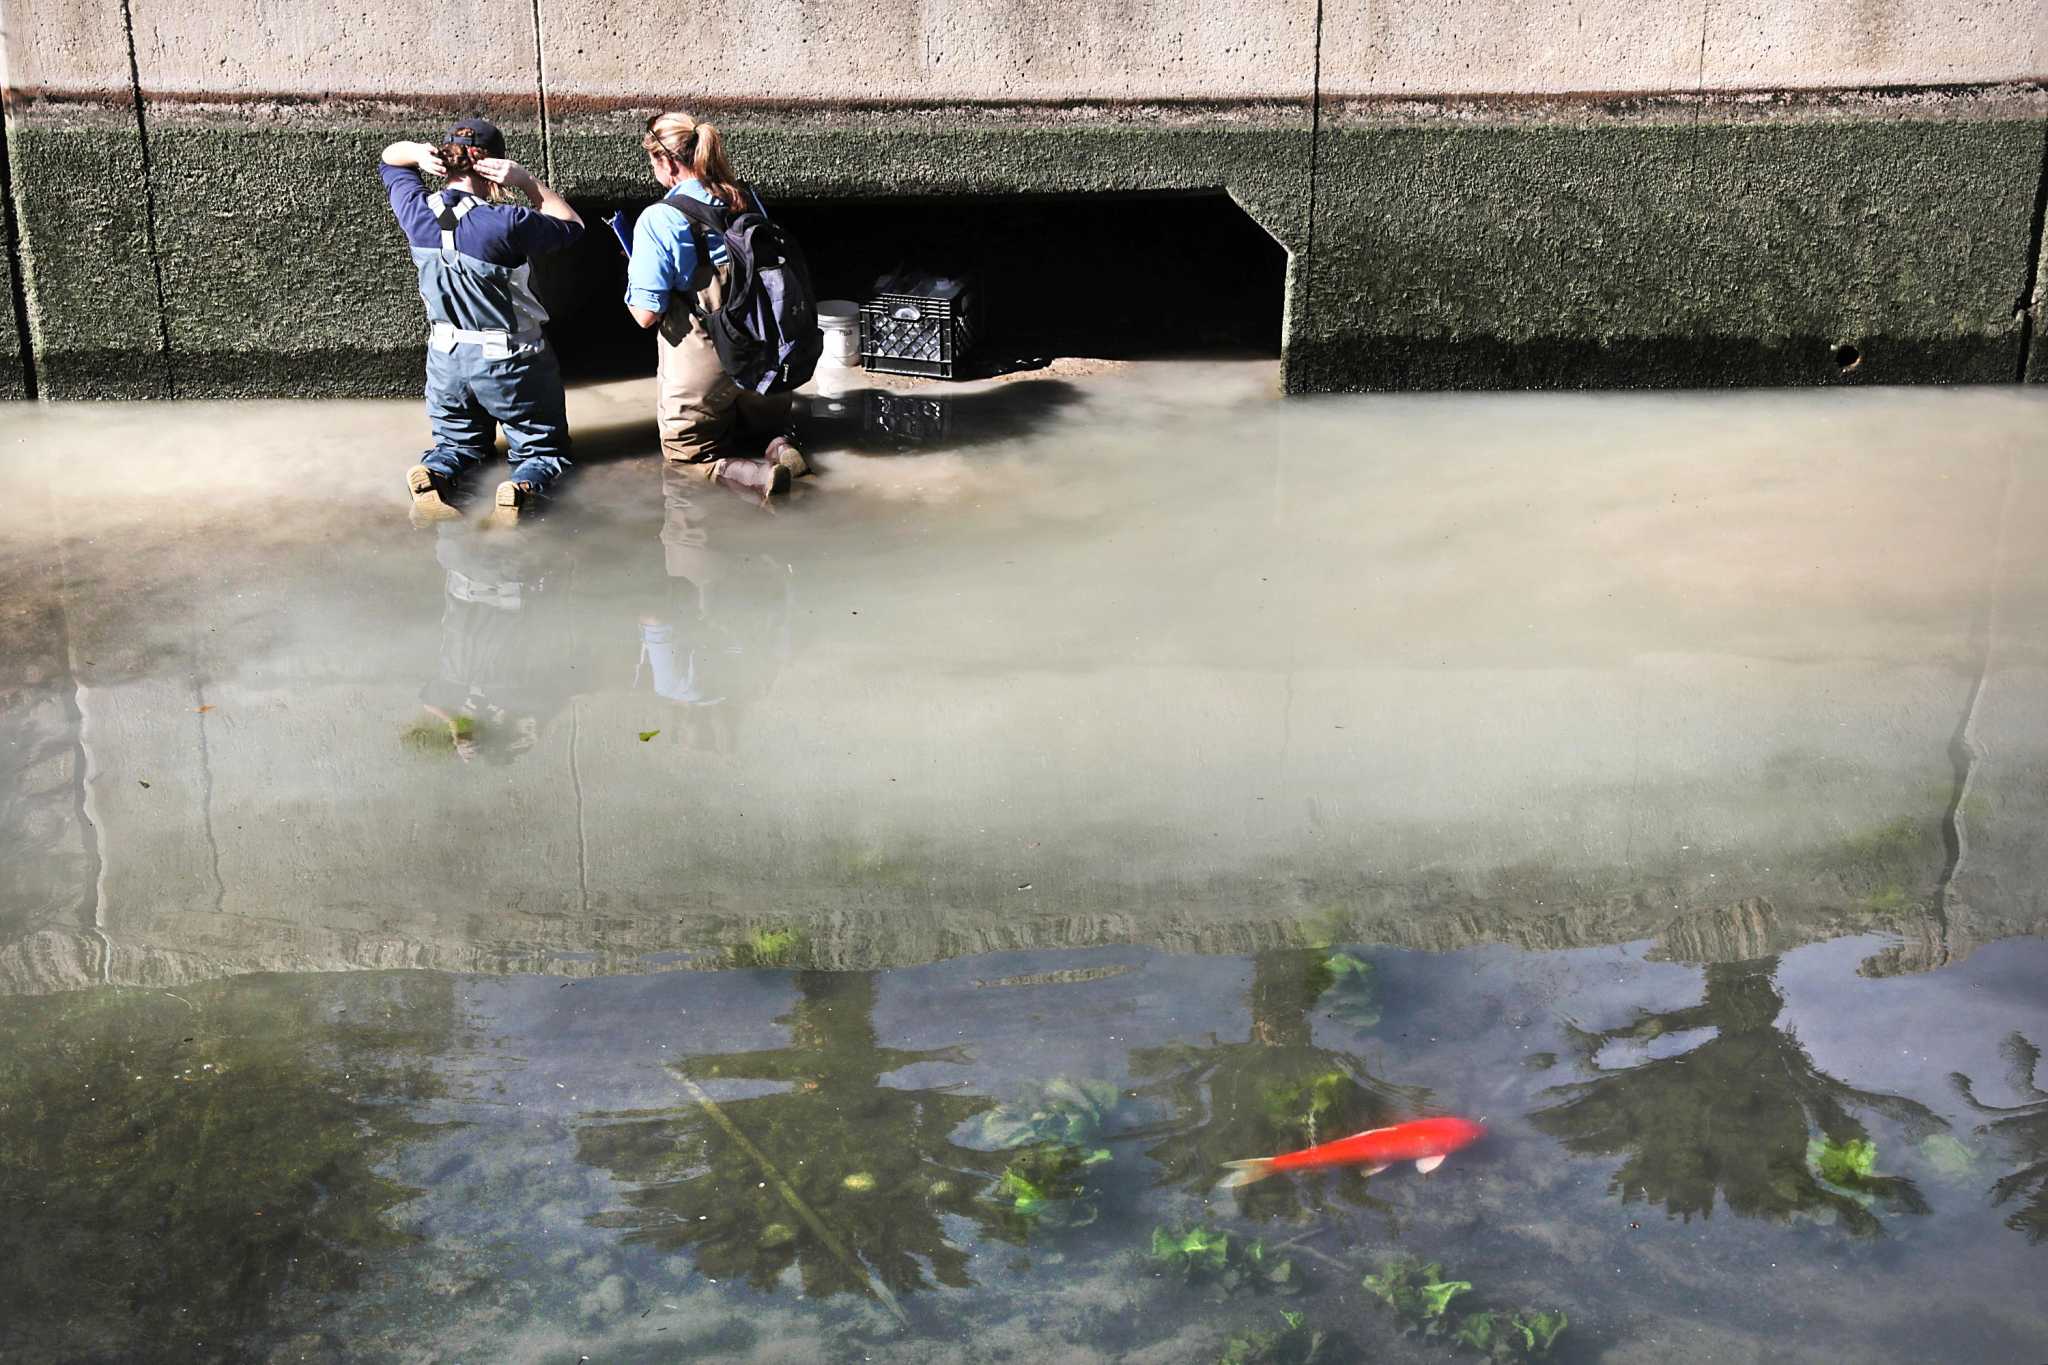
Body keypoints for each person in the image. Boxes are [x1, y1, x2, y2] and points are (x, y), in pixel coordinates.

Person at [380, 117, 584, 528]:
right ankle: (521, 489)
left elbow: (390, 160)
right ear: (494, 166)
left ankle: (435, 474)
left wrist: (418, 154)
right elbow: (573, 227)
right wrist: (528, 182)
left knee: (459, 444)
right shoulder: (506, 220)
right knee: (542, 453)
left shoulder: (416, 211)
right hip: (510, 361)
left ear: (443, 159)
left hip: (445, 360)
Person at [624, 111, 805, 504]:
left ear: (666, 162)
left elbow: (645, 315)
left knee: (688, 461)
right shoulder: (746, 198)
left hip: (703, 361)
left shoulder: (659, 219)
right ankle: (782, 450)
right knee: (764, 428)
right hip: (763, 352)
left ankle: (757, 478)